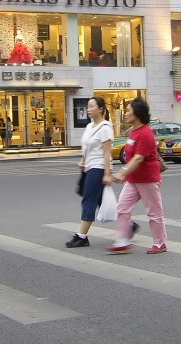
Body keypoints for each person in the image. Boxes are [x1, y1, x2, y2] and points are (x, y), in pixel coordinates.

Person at [107, 98, 168, 254]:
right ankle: (123, 240)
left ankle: (160, 243)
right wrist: (126, 173)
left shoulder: (145, 133)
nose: (126, 114)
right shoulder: (133, 131)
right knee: (122, 208)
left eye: (128, 111)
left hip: (147, 178)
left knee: (154, 212)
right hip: (133, 179)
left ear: (138, 113)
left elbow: (139, 157)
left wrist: (122, 172)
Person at [65, 96, 115, 248]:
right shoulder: (89, 126)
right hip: (88, 167)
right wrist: (83, 160)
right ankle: (129, 225)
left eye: (92, 106)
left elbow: (107, 153)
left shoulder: (105, 127)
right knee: (100, 200)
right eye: (87, 106)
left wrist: (107, 174)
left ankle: (82, 236)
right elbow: (87, 147)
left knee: (88, 200)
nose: (88, 109)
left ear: (101, 109)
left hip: (98, 168)